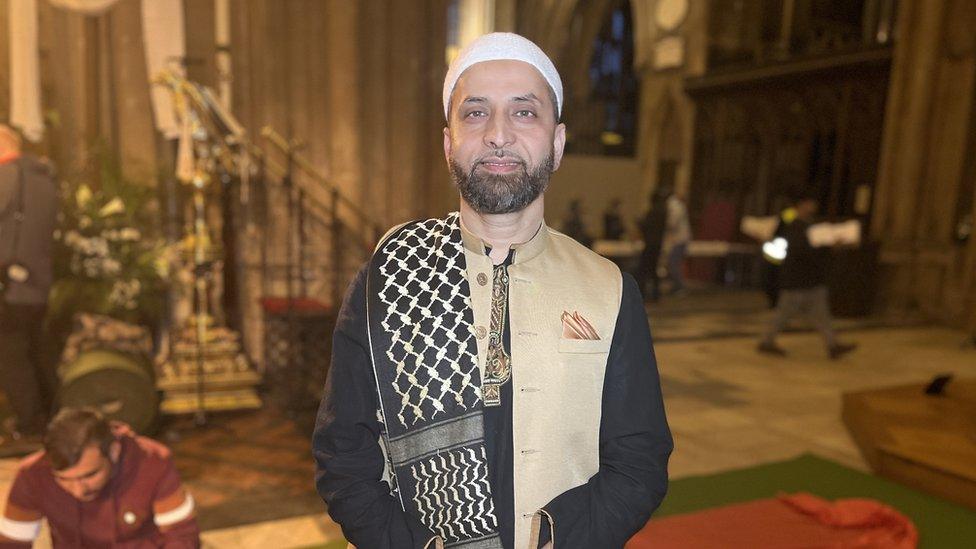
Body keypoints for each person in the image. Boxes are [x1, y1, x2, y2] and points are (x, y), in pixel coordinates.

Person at [313, 33, 672, 549]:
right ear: (448, 142)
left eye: (524, 113)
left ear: (558, 141)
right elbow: (342, 449)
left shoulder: (610, 289)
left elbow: (639, 457)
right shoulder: (386, 276)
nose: (498, 135)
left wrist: (563, 538)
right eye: (475, 113)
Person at [0, 407, 200, 548]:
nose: (79, 490)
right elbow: (12, 543)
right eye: (63, 479)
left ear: (113, 451)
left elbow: (181, 538)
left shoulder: (153, 463)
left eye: (89, 475)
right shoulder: (33, 475)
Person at [0, 124, 59, 445]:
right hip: (36, 281)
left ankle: (28, 423)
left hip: (8, 284)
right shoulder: (43, 177)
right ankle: (51, 417)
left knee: (10, 354)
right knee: (37, 348)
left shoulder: (6, 176)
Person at [758, 191, 857, 360]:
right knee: (783, 314)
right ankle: (767, 342)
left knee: (821, 315)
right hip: (797, 279)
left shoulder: (805, 224)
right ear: (803, 204)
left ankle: (833, 345)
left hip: (809, 279)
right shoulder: (795, 224)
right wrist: (829, 247)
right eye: (810, 202)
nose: (813, 206)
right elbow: (803, 251)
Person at [635, 189, 668, 302]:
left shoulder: (653, 211)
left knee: (643, 270)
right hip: (658, 244)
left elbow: (646, 227)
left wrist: (639, 222)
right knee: (653, 270)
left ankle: (642, 294)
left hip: (650, 244)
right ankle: (655, 294)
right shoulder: (664, 211)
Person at [663, 190, 690, 295]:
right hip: (680, 239)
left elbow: (672, 223)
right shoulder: (678, 205)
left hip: (679, 239)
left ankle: (679, 286)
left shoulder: (674, 206)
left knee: (673, 264)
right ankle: (677, 286)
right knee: (673, 264)